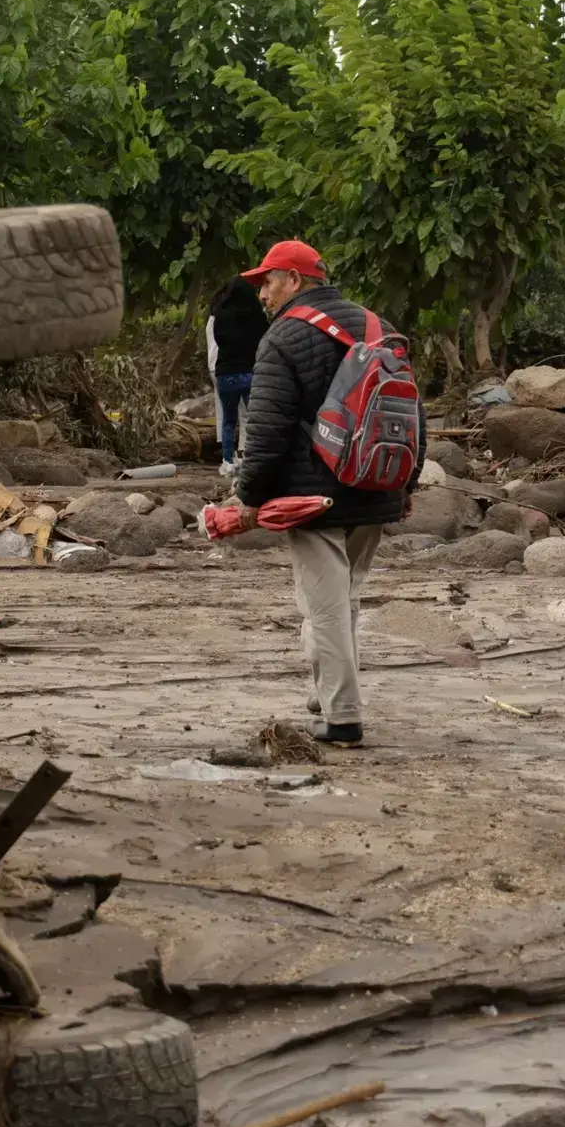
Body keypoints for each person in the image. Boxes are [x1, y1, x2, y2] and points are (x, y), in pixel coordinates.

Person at [233, 239, 423, 748]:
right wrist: (407, 483)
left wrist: (248, 496)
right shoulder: (380, 327)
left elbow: (267, 429)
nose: (263, 295)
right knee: (344, 598)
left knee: (326, 608)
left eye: (267, 282)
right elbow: (411, 414)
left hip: (314, 496)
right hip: (377, 483)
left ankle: (342, 718)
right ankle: (327, 694)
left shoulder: (284, 337)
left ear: (295, 281)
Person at [205, 274, 268, 476]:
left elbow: (218, 339)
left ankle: (227, 461)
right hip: (251, 372)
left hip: (226, 374)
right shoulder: (257, 315)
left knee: (229, 420)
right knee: (254, 418)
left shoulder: (220, 315)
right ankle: (254, 458)